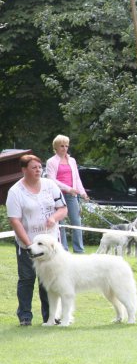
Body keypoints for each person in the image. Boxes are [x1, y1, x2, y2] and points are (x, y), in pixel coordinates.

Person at [6, 154, 68, 326]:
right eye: (34, 167)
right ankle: (25, 316)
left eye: (40, 167)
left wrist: (54, 218)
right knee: (27, 279)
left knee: (48, 282)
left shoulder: (50, 185)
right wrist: (29, 245)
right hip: (28, 243)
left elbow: (63, 208)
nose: (38, 170)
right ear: (24, 170)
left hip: (50, 246)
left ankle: (50, 316)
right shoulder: (15, 192)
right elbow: (15, 221)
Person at [45, 134, 88, 253]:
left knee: (77, 222)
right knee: (61, 224)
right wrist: (68, 188)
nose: (64, 148)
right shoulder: (51, 162)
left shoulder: (72, 160)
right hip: (58, 195)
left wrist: (83, 193)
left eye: (66, 146)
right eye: (62, 146)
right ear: (56, 147)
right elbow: (51, 179)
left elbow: (77, 178)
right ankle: (63, 250)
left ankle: (79, 250)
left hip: (72, 195)